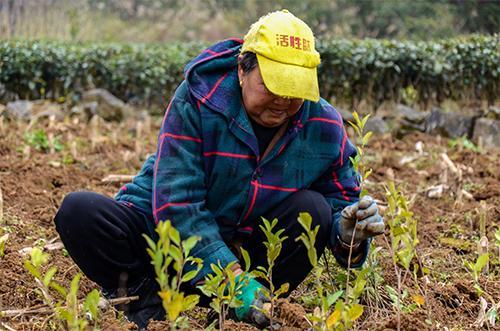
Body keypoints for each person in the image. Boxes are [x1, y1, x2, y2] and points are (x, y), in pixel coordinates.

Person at [54, 10, 384, 330]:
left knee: (313, 211)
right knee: (80, 212)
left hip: (244, 248)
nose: (283, 101)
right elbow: (177, 205)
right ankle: (148, 304)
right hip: (167, 243)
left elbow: (341, 200)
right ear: (242, 70)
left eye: (294, 90)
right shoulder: (198, 100)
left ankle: (242, 312)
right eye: (272, 85)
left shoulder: (323, 125)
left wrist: (347, 234)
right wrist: (232, 281)